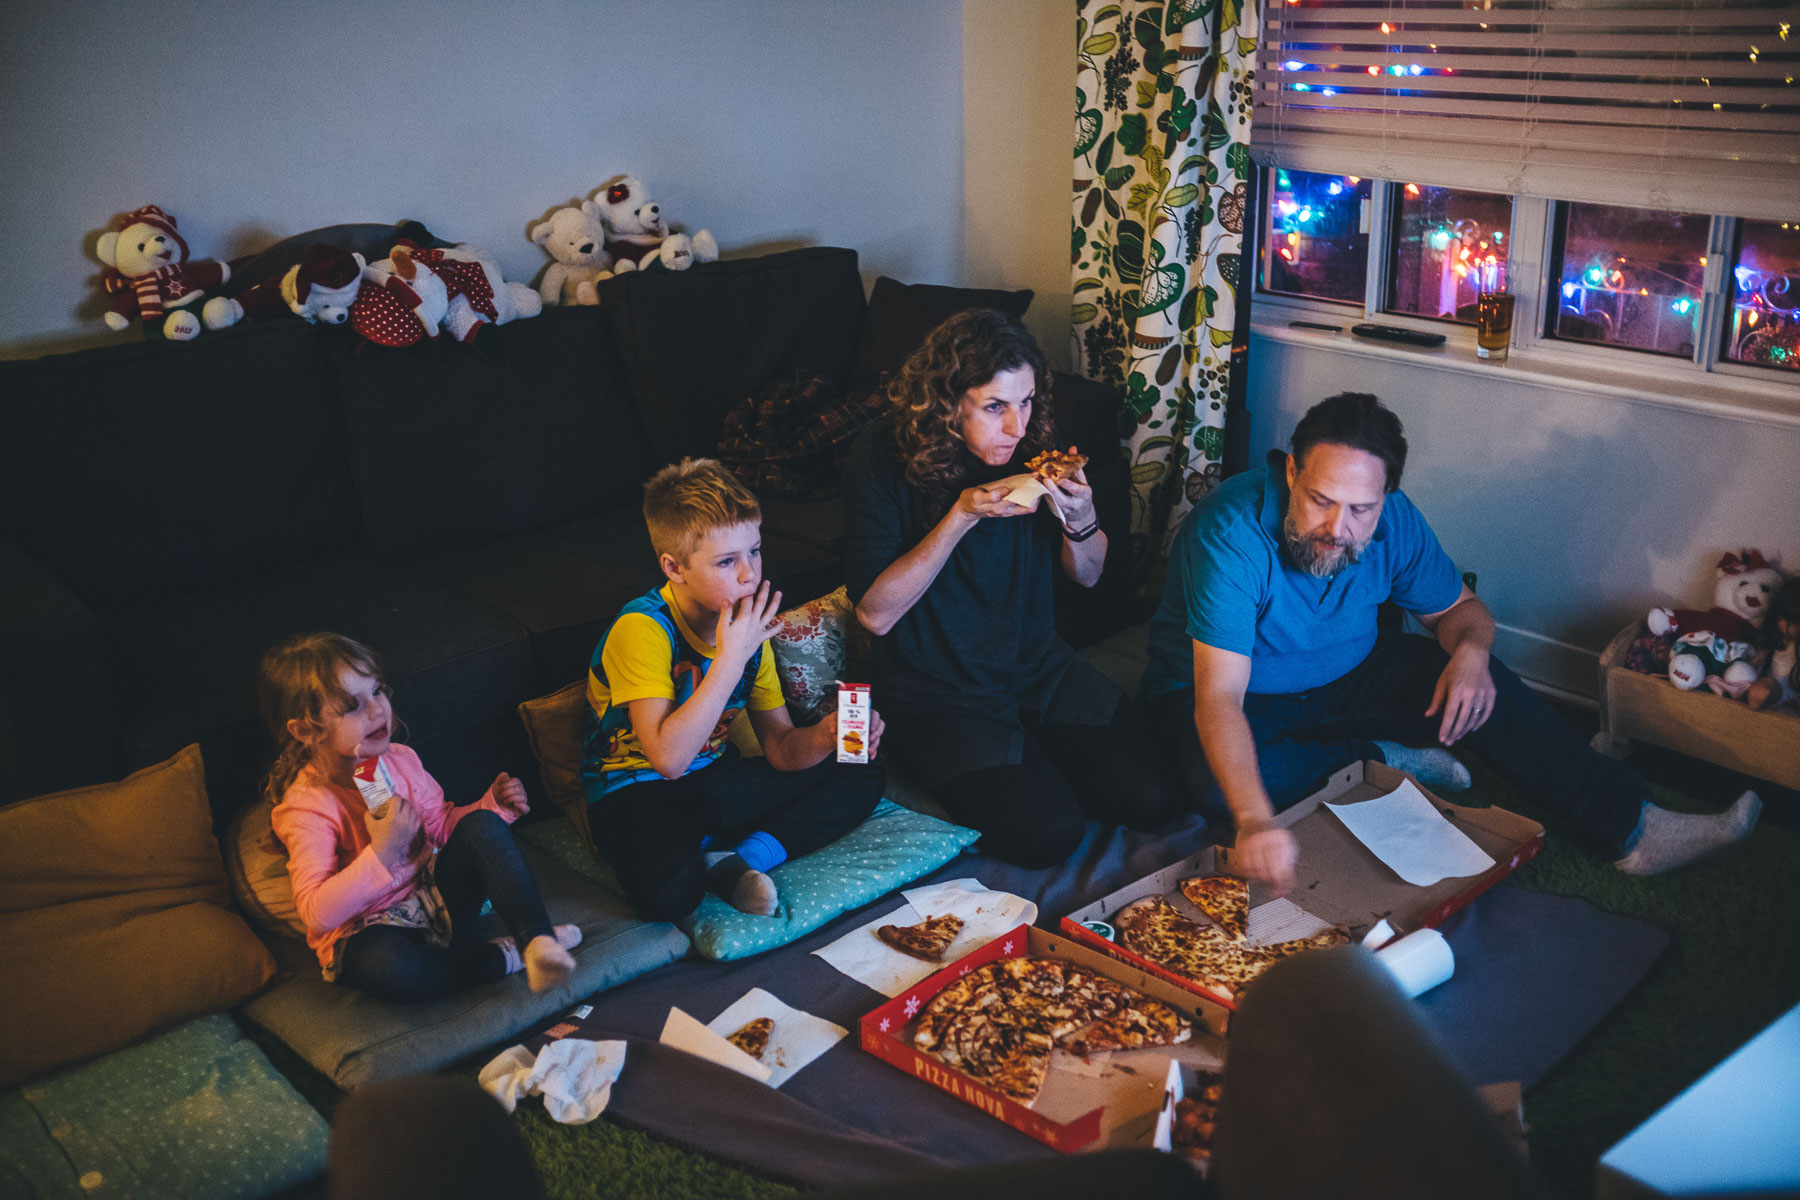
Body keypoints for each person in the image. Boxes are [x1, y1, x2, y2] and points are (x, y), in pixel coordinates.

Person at [1144, 392, 1761, 893]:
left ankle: (1635, 828)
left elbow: (1462, 612)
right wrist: (1255, 820)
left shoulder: (1397, 519)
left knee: (1483, 686)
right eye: (1319, 501)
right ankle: (1377, 754)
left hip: (1348, 674)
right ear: (1290, 472)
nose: (1338, 529)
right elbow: (1218, 700)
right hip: (1229, 689)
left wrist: (1469, 654)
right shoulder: (1231, 531)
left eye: (1361, 509)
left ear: (1385, 496)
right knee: (1209, 783)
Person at [841, 308, 1183, 867]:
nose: (1017, 427)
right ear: (949, 402)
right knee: (1046, 835)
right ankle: (956, 769)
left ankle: (1028, 757)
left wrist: (1083, 516)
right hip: (935, 687)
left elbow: (1090, 575)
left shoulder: (1034, 444)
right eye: (995, 406)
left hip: (1036, 667)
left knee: (1155, 800)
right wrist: (961, 516)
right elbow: (875, 616)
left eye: (1026, 403)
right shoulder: (880, 456)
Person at [581, 458, 885, 921]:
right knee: (667, 899)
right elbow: (667, 761)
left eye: (755, 551)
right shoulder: (642, 629)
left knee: (860, 770)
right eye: (727, 561)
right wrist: (729, 658)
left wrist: (827, 735)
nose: (750, 574)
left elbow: (780, 748)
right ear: (674, 567)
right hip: (635, 791)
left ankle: (741, 859)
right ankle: (709, 855)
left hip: (713, 784)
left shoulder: (747, 627)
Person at [261, 633, 579, 1002]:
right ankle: (502, 957)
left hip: (440, 898)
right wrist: (382, 852)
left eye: (377, 691)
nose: (377, 711)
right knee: (389, 968)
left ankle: (537, 940)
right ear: (305, 730)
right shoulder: (307, 808)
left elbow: (443, 828)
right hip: (372, 928)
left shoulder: (399, 760)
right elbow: (317, 914)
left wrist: (492, 809)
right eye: (351, 706)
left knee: (482, 826)